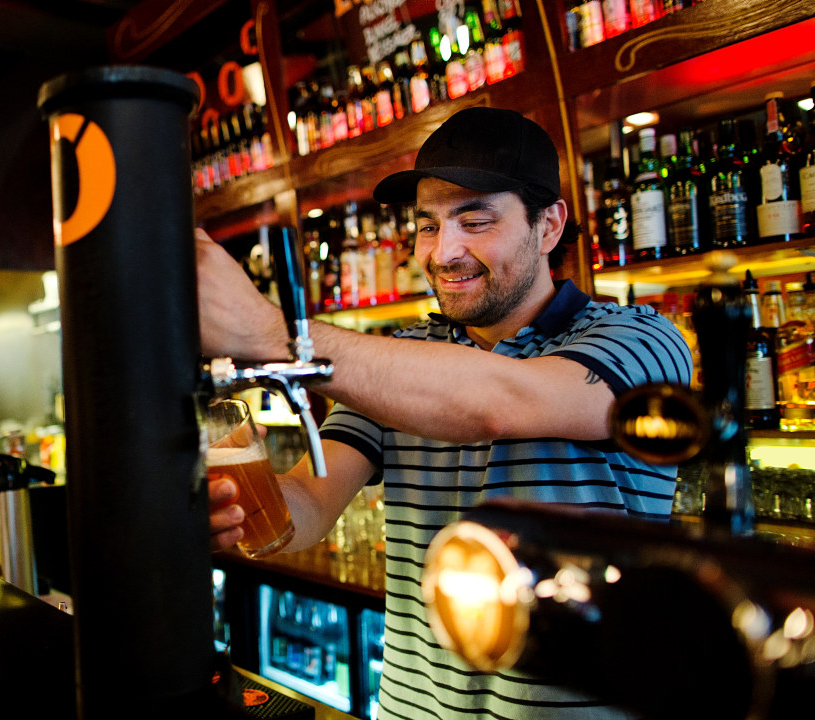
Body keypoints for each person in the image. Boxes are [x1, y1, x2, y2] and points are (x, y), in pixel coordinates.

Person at [197, 106, 692, 719]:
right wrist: (237, 507)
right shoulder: (402, 359)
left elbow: (498, 402)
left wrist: (273, 334)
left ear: (549, 225)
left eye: (475, 220)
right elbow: (307, 509)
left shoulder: (640, 339)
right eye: (428, 226)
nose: (444, 252)